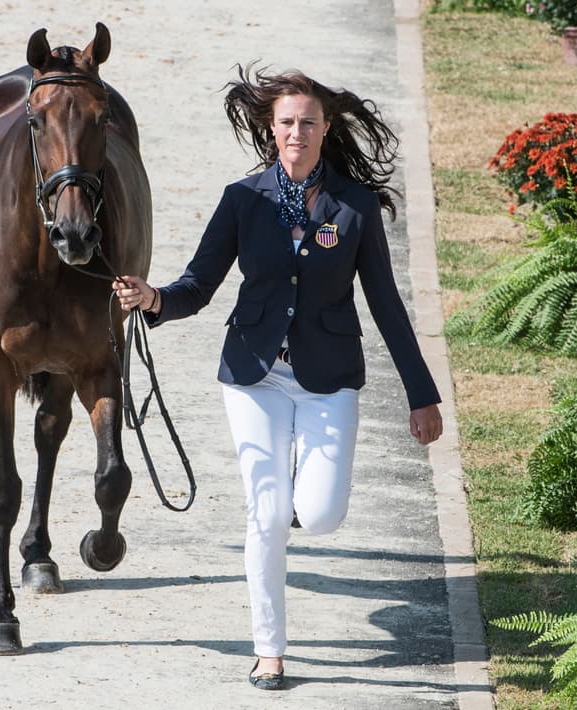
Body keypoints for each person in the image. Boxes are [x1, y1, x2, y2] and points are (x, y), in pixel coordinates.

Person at [111, 64, 444, 691]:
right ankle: (270, 652)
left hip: (329, 376)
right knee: (266, 513)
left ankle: (292, 500)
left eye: (308, 122)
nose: (297, 131)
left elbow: (386, 305)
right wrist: (155, 298)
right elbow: (199, 284)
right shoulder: (244, 199)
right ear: (271, 129)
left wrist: (422, 396)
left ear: (325, 129)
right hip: (254, 376)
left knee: (317, 516)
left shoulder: (354, 205)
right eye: (287, 121)